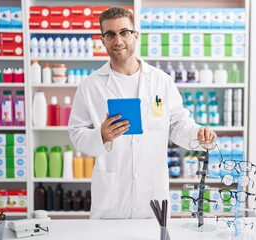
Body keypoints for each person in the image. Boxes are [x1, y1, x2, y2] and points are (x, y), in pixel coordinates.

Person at [68, 7, 217, 219]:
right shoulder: (90, 86)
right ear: (102, 40)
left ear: (135, 35)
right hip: (111, 199)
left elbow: (178, 124)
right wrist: (101, 136)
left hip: (152, 195)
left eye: (124, 32)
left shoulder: (161, 81)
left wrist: (198, 133)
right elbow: (76, 134)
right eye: (110, 34)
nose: (118, 40)